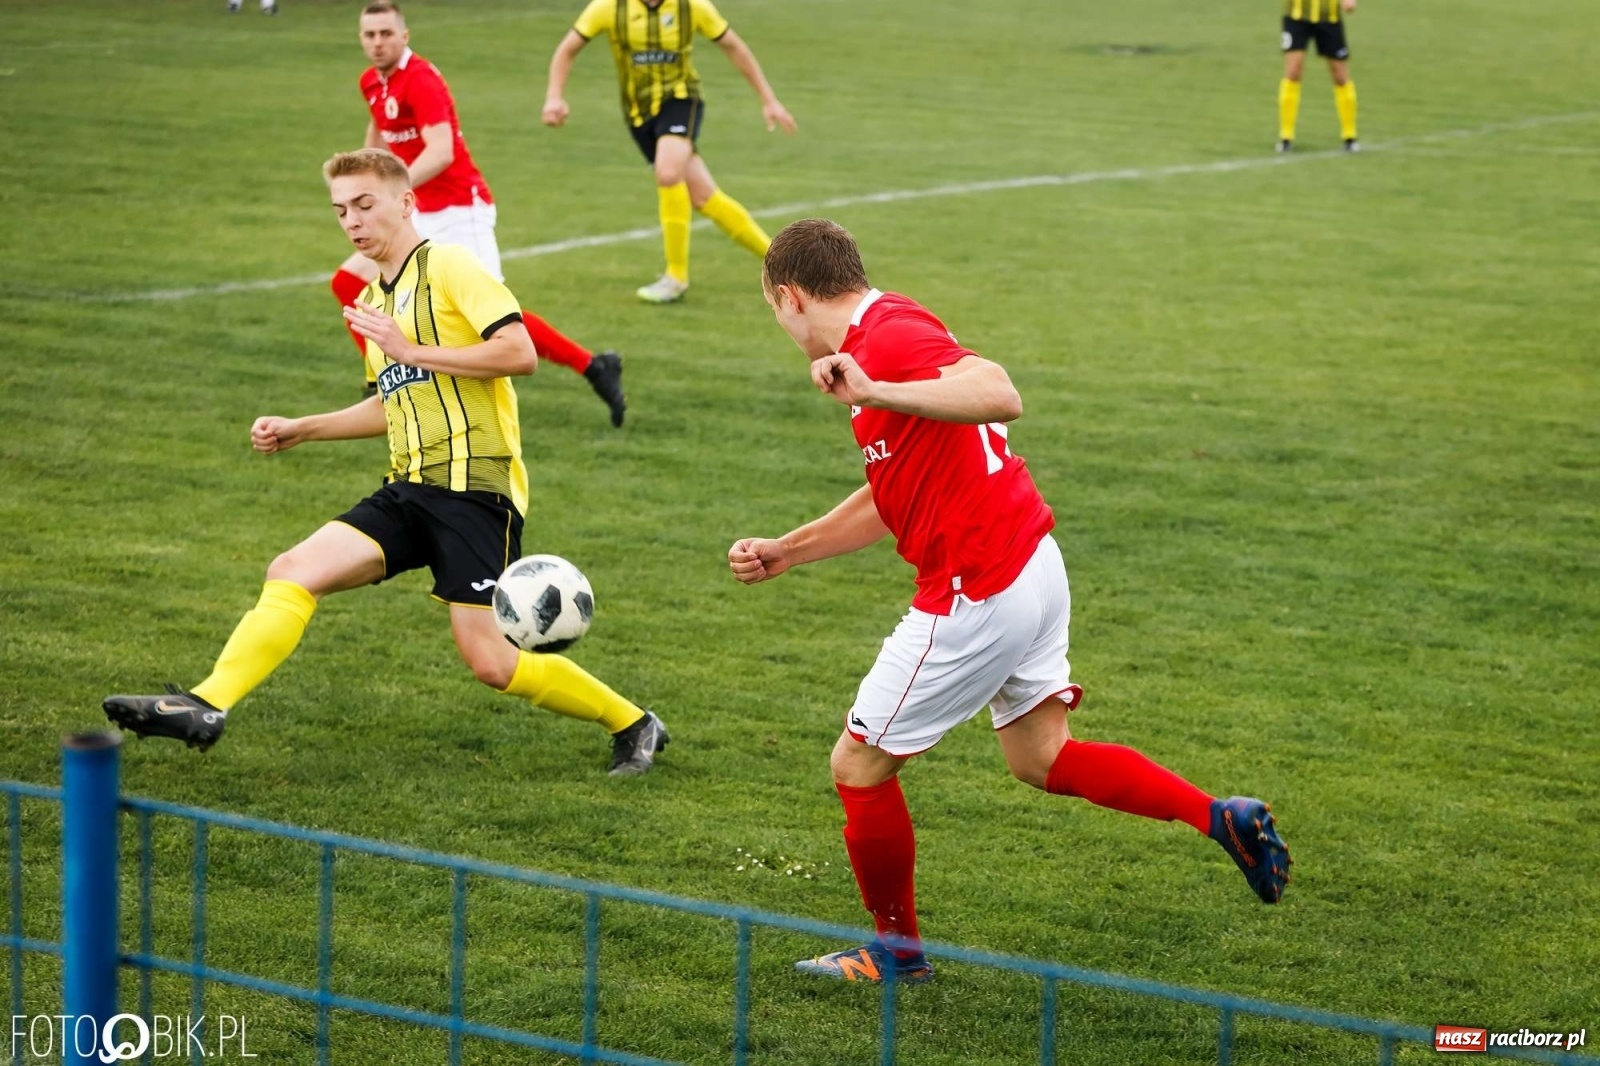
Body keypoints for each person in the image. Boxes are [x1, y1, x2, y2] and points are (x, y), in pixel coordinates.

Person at [728, 219, 1290, 984]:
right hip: (1030, 563)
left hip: (978, 588)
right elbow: (897, 487)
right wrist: (789, 548)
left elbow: (999, 391)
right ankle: (1217, 816)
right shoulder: (887, 329)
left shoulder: (882, 346)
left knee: (858, 765)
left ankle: (896, 953)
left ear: (789, 298)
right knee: (1042, 756)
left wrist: (873, 385)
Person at [105, 150, 669, 778]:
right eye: (341, 210)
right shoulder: (375, 298)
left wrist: (410, 347)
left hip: (476, 490)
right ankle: (205, 704)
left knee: (492, 664)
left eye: (365, 204)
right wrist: (304, 428)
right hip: (407, 488)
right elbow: (391, 404)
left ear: (405, 201)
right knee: (293, 570)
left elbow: (518, 352)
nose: (352, 220)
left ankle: (635, 722)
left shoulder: (453, 267)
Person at [335, 1, 628, 427]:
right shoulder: (372, 83)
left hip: (458, 207)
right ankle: (388, 382)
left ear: (404, 35)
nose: (377, 42)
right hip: (416, 212)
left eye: (385, 34)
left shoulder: (420, 80)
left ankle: (594, 366)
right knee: (349, 283)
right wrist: (365, 180)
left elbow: (441, 151)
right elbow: (377, 143)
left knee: (492, 315)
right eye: (369, 35)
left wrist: (388, 193)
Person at [541, 0, 797, 304]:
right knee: (703, 195)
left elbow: (733, 46)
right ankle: (783, 263)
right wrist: (554, 97)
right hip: (638, 115)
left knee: (668, 172)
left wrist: (769, 99)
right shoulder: (609, 8)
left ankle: (676, 277)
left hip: (681, 100)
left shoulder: (692, 7)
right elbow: (567, 49)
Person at [1277, 0, 1359, 153]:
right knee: (1293, 71)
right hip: (1296, 17)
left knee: (1340, 75)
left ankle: (1350, 136)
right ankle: (1286, 136)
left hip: (1329, 18)